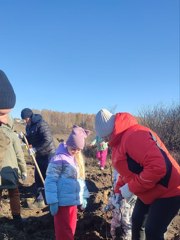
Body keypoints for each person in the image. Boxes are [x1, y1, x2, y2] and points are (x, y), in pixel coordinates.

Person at [95, 108, 180, 240]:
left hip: (169, 189)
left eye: (105, 136)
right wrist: (118, 191)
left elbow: (158, 167)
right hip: (150, 188)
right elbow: (129, 171)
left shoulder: (133, 136)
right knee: (137, 221)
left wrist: (130, 188)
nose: (104, 140)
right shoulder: (118, 142)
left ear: (111, 130)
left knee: (153, 231)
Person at [45, 125, 90, 240]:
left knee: (71, 230)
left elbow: (80, 180)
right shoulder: (59, 159)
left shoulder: (75, 160)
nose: (75, 151)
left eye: (78, 150)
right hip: (62, 204)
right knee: (63, 233)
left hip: (72, 204)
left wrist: (83, 197)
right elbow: (50, 181)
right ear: (69, 144)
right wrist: (53, 201)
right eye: (73, 148)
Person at [20, 108, 56, 204]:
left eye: (25, 119)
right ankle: (40, 197)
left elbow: (48, 140)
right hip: (39, 154)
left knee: (48, 176)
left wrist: (36, 149)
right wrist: (23, 138)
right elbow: (30, 140)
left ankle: (51, 197)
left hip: (49, 153)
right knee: (38, 176)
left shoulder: (41, 124)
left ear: (29, 117)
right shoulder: (28, 126)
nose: (24, 121)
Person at [0, 115, 27, 229]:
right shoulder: (13, 135)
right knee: (14, 193)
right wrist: (24, 170)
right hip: (10, 170)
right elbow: (19, 155)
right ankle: (17, 218)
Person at [104, 169, 136, 240]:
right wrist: (109, 205)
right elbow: (112, 196)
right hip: (116, 215)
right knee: (113, 229)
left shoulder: (131, 186)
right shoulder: (115, 187)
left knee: (127, 231)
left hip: (127, 215)